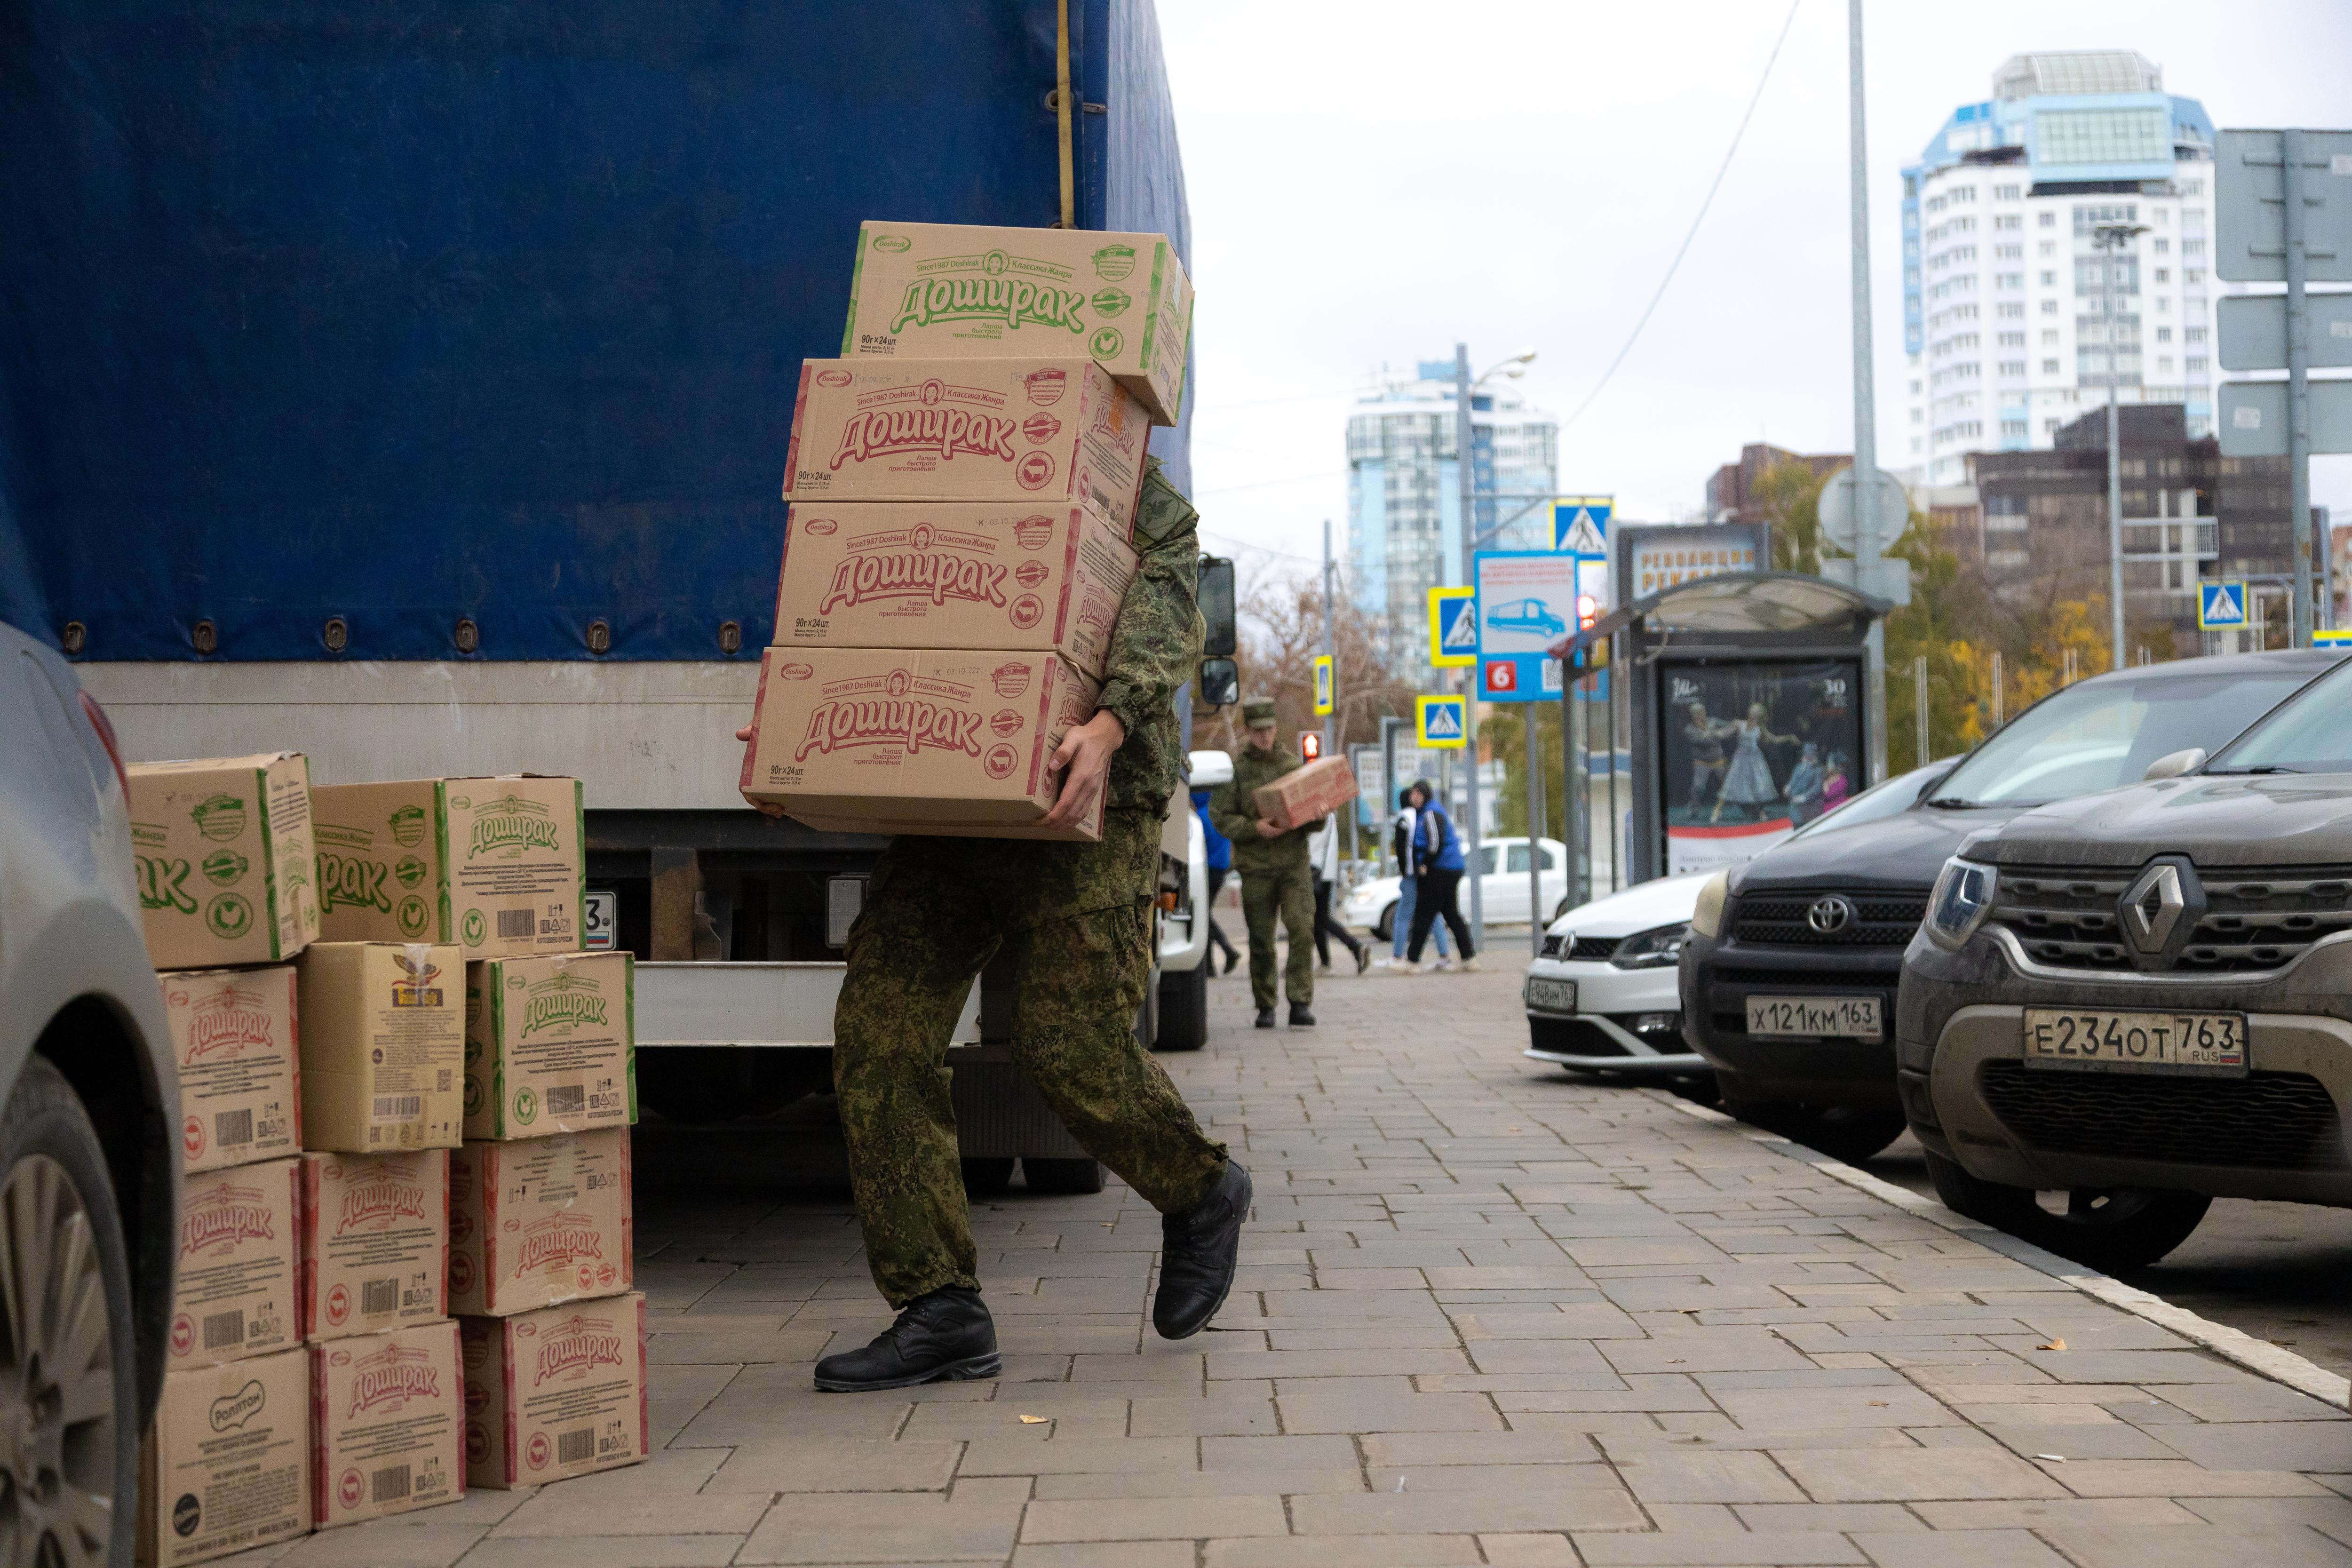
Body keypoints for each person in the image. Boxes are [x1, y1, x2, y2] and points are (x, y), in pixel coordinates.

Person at [737, 456, 1251, 1392]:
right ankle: (939, 1308)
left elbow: (1170, 587)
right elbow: (857, 595)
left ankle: (1200, 1187)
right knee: (879, 1029)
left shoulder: (1108, 457)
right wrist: (799, 736)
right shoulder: (916, 464)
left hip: (1086, 798)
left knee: (1066, 1046)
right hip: (953, 801)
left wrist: (1110, 724)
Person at [1208, 702, 1323, 1029]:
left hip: (1293, 865)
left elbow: (1313, 822)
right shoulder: (1237, 771)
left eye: (1269, 729)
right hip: (1256, 867)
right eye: (1258, 730)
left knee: (1302, 929)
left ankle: (1300, 1002)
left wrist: (1318, 813)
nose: (1265, 735)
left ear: (1275, 728)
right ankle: (1266, 1005)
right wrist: (1253, 828)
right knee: (1261, 938)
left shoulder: (1292, 766)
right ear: (1248, 731)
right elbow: (1221, 817)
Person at [1403, 780, 1478, 972]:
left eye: (1418, 794)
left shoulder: (1430, 813)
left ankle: (1412, 961)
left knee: (1424, 914)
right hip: (1448, 868)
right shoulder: (1427, 812)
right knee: (1451, 914)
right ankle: (1469, 957)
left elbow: (1435, 842)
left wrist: (1425, 864)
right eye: (1413, 794)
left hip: (1441, 869)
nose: (1414, 798)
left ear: (1426, 795)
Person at [1378, 787, 1448, 969]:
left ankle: (1397, 956)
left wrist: (1405, 871)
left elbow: (1402, 849)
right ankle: (1444, 954)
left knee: (1402, 915)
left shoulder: (1404, 818)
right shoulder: (1419, 815)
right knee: (1432, 915)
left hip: (1412, 873)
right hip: (1424, 872)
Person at [1712, 701, 1799, 825]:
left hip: (1755, 761)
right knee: (1731, 784)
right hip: (1740, 759)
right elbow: (1725, 733)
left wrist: (1790, 737)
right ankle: (1718, 810)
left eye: (1757, 712)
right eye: (1753, 711)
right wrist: (1711, 733)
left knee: (1756, 786)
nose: (1754, 714)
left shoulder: (1760, 729)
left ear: (1760, 715)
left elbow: (1774, 739)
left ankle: (1759, 811)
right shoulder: (1740, 724)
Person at [1307, 816, 1370, 975]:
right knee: (1319, 918)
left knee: (1310, 918)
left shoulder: (1316, 812)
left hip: (1313, 871)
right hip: (1325, 872)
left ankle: (1352, 947)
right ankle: (1327, 962)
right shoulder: (1330, 815)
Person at [1193, 787, 1238, 975]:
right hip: (1221, 869)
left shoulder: (1202, 818)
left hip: (1207, 870)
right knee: (1206, 915)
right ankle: (1210, 965)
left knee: (1203, 917)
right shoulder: (1217, 815)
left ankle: (1227, 950)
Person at [1681, 703, 1732, 816]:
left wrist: (1736, 726)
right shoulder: (1689, 729)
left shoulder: (1713, 722)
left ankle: (1748, 809)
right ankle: (1693, 809)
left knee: (1730, 784)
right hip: (1702, 763)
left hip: (1719, 761)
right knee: (1698, 787)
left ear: (1705, 712)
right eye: (1696, 714)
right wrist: (1717, 734)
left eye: (1701, 712)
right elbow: (1704, 740)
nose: (1699, 716)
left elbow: (1730, 726)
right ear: (1692, 715)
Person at [1783, 742, 1826, 826]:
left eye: (1808, 754)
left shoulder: (1819, 770)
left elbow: (1817, 788)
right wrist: (1788, 787)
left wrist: (1804, 797)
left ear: (1813, 756)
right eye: (1805, 754)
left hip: (1810, 809)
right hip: (1796, 810)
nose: (1806, 756)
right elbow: (1793, 781)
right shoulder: (1798, 767)